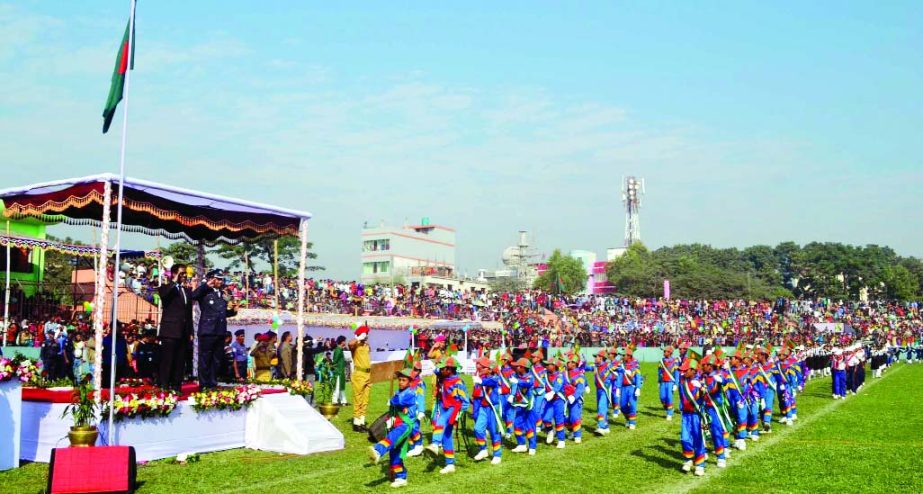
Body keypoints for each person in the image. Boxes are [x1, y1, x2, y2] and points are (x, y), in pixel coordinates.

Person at [367, 368, 418, 489]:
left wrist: (391, 400)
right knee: (395, 453)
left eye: (404, 380)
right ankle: (401, 477)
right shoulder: (399, 392)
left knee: (392, 438)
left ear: (410, 382)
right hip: (396, 423)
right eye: (399, 380)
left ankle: (378, 450)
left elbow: (398, 401)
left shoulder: (410, 393)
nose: (400, 382)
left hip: (405, 425)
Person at [191, 269, 238, 389]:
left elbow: (222, 313)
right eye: (218, 278)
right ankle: (204, 385)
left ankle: (212, 383)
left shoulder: (222, 293)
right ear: (212, 278)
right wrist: (206, 285)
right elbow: (193, 295)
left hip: (220, 331)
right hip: (208, 330)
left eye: (222, 279)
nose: (221, 281)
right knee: (205, 359)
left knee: (216, 359)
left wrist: (233, 311)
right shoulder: (205, 291)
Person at [424, 357, 469, 474]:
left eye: (443, 368)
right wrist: (440, 361)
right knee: (446, 436)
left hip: (454, 408)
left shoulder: (458, 382)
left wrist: (458, 413)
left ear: (450, 370)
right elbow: (436, 371)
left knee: (441, 421)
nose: (441, 370)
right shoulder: (444, 376)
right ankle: (450, 464)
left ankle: (435, 443)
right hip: (444, 407)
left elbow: (466, 401)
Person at [158, 264, 193, 391]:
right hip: (170, 331)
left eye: (185, 273)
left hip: (183, 331)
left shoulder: (187, 291)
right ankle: (164, 385)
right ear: (174, 273)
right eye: (181, 273)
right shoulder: (166, 288)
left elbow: (188, 313)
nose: (184, 276)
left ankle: (177, 386)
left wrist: (190, 331)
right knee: (168, 359)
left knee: (180, 360)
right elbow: (164, 295)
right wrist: (174, 281)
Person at [472, 356, 504, 463]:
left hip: (493, 408)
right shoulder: (484, 377)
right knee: (478, 429)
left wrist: (480, 380)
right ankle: (483, 449)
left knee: (494, 432)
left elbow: (487, 382)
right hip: (483, 407)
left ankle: (497, 455)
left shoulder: (495, 379)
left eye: (488, 368)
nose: (483, 369)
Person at [678, 357, 707, 476]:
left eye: (686, 370)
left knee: (698, 439)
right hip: (686, 414)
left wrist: (701, 389)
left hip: (696, 415)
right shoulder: (682, 382)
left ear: (694, 370)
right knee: (684, 438)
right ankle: (688, 459)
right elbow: (681, 397)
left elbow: (706, 398)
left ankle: (700, 464)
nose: (683, 372)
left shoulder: (700, 382)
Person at [348, 325, 372, 432]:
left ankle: (362, 422)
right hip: (359, 373)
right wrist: (358, 338)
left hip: (368, 374)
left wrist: (364, 340)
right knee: (358, 399)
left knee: (365, 400)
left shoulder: (366, 345)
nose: (367, 335)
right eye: (365, 333)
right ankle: (356, 423)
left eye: (366, 334)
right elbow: (350, 344)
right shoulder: (355, 344)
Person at [659, 345, 680, 420]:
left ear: (670, 352)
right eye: (664, 351)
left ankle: (669, 413)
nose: (664, 352)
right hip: (663, 382)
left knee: (669, 397)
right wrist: (659, 381)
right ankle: (668, 408)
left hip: (671, 382)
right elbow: (660, 372)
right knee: (662, 398)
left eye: (665, 351)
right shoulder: (661, 361)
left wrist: (676, 384)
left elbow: (677, 373)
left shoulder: (675, 361)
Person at [331, 335, 348, 405]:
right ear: (342, 342)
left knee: (342, 386)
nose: (345, 342)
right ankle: (334, 400)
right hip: (338, 371)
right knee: (337, 387)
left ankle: (343, 400)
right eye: (344, 341)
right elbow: (334, 361)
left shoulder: (341, 349)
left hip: (341, 370)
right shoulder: (338, 350)